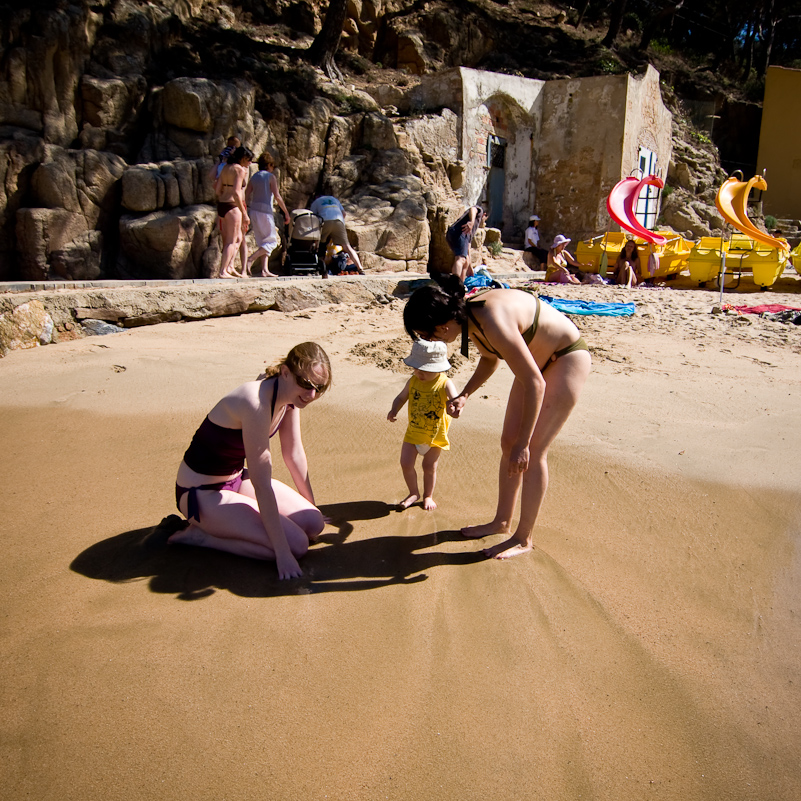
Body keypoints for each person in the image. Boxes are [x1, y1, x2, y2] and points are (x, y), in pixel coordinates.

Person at [403, 274, 592, 560]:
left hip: (565, 358)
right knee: (508, 444)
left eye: (427, 335)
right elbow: (490, 359)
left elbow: (535, 384)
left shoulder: (490, 318)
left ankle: (523, 537)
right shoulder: (469, 317)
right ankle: (502, 522)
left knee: (532, 450)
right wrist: (465, 393)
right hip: (535, 367)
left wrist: (524, 444)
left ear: (441, 326)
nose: (429, 342)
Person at [170, 342, 331, 579]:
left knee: (313, 522)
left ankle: (228, 529)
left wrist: (311, 504)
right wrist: (282, 553)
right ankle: (201, 536)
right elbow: (261, 482)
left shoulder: (288, 397)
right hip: (200, 493)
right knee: (296, 546)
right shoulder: (254, 403)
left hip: (236, 478)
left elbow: (293, 453)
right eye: (306, 384)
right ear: (285, 372)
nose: (311, 394)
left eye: (320, 388)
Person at [387, 340, 457, 511]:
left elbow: (456, 401)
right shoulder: (413, 381)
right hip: (413, 433)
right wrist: (394, 409)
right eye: (416, 368)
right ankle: (413, 493)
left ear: (438, 368)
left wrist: (455, 408)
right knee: (406, 463)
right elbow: (401, 397)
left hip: (434, 436)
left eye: (424, 370)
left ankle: (428, 496)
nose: (419, 372)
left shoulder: (444, 383)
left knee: (429, 467)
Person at [245, 153, 290, 277]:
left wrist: (245, 210)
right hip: (265, 212)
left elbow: (247, 195)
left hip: (254, 211)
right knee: (272, 242)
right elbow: (277, 196)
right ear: (269, 165)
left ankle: (265, 270)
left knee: (263, 241)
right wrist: (286, 212)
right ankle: (250, 259)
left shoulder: (254, 177)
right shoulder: (271, 177)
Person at [215, 145, 253, 278]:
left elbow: (217, 189)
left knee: (235, 239)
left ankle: (227, 268)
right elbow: (237, 193)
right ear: (242, 158)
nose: (249, 163)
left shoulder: (225, 167)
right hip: (233, 206)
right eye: (248, 159)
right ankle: (223, 271)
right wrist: (244, 213)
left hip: (222, 205)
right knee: (232, 241)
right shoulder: (239, 170)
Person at [309, 194, 364, 274]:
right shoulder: (334, 199)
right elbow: (344, 214)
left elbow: (313, 217)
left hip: (325, 221)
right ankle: (360, 268)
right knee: (347, 247)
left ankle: (320, 269)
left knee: (321, 244)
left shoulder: (316, 201)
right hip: (339, 220)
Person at [445, 205, 484, 281]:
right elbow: (473, 209)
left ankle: (461, 285)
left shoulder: (472, 230)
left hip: (453, 233)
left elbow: (468, 246)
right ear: (484, 215)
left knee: (465, 261)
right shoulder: (479, 213)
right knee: (460, 259)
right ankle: (455, 284)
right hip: (459, 232)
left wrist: (470, 266)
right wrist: (471, 222)